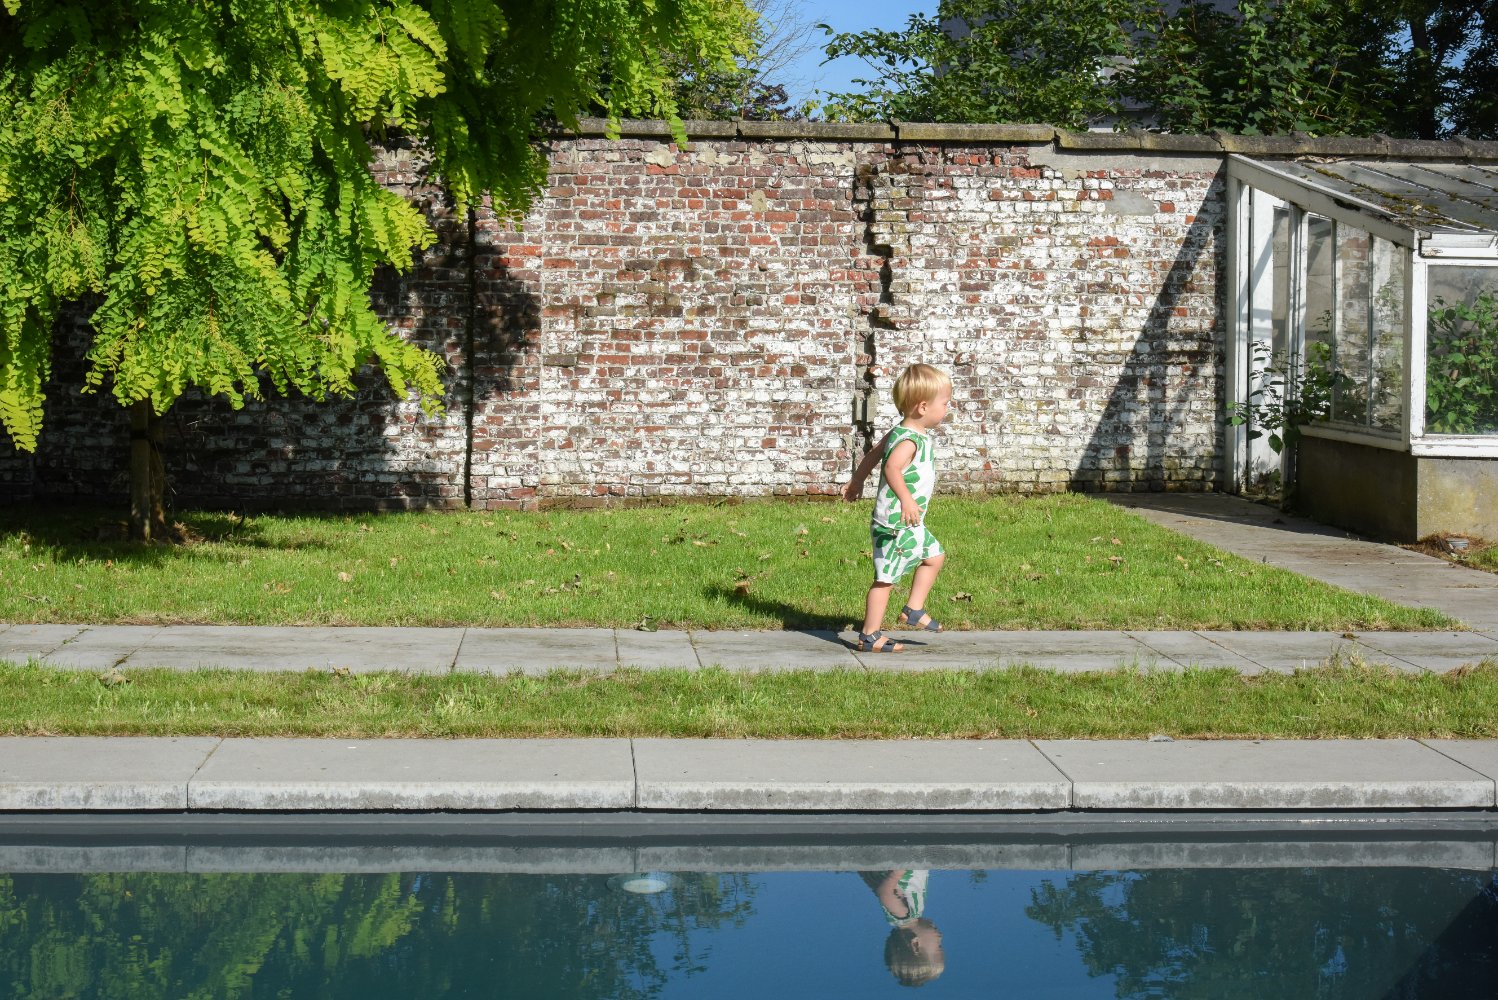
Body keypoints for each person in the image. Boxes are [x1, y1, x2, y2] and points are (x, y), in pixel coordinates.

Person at [841, 363, 951, 653]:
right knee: (885, 578)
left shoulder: (902, 432)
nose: (947, 408)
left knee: (935, 556)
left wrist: (856, 482)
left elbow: (872, 456)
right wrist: (906, 498)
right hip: (895, 523)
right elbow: (891, 467)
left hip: (910, 522)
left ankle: (913, 609)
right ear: (923, 407)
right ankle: (869, 635)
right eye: (945, 403)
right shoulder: (909, 441)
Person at [858, 869, 946, 987]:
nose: (941, 937)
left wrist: (898, 872)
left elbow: (885, 893)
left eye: (938, 946)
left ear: (915, 944)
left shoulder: (903, 916)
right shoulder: (914, 914)